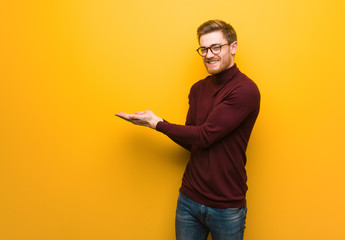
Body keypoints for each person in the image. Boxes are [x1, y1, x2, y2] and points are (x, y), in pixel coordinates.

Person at [116, 19, 260, 240]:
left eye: (216, 47)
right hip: (189, 200)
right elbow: (192, 140)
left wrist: (157, 124)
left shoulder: (245, 90)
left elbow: (205, 136)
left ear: (233, 47)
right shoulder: (198, 89)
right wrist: (154, 122)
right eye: (203, 49)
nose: (209, 55)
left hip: (226, 207)